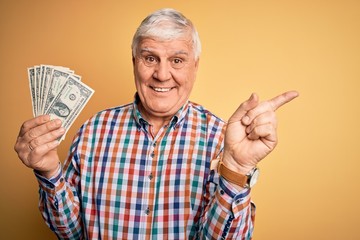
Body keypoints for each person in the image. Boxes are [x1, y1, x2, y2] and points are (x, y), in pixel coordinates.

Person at [14, 8, 298, 239]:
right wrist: (49, 170)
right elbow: (73, 233)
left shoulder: (220, 138)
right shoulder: (93, 131)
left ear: (194, 66)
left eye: (177, 60)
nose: (162, 74)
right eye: (151, 58)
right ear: (134, 61)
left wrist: (235, 170)